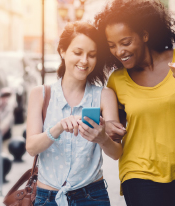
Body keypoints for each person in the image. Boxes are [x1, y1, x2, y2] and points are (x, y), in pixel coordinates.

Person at [95, 0, 175, 205]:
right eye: (112, 45)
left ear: (145, 35)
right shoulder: (117, 81)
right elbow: (116, 137)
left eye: (126, 42)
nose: (119, 51)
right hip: (138, 175)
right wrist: (107, 130)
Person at [25, 21, 123, 206]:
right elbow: (31, 148)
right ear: (62, 51)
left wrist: (102, 138)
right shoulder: (41, 94)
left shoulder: (104, 95)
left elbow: (117, 153)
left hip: (92, 196)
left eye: (91, 55)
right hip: (48, 198)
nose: (84, 60)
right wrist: (58, 127)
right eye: (78, 53)